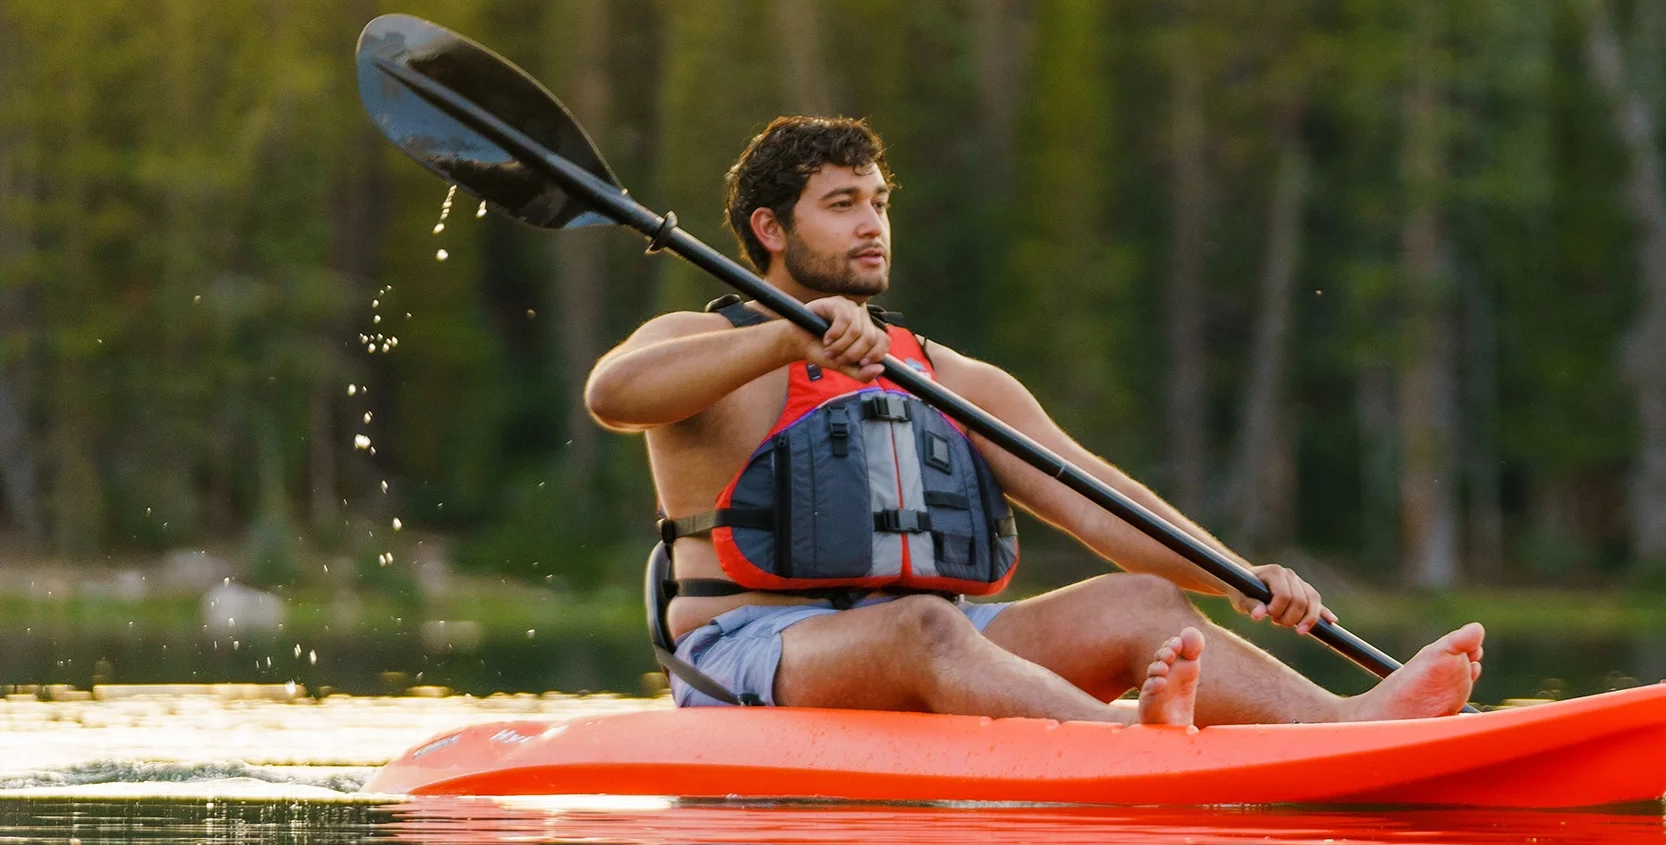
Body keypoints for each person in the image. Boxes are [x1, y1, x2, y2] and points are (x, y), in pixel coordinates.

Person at [585, 117, 1484, 726]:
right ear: (770, 230)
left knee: (1141, 604)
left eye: (879, 202)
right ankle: (1121, 741)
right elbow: (612, 395)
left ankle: (1348, 721)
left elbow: (1100, 504)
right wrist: (784, 343)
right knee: (924, 625)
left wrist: (1237, 578)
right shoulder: (710, 343)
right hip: (752, 657)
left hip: (935, 647)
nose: (872, 226)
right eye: (843, 204)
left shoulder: (945, 372)